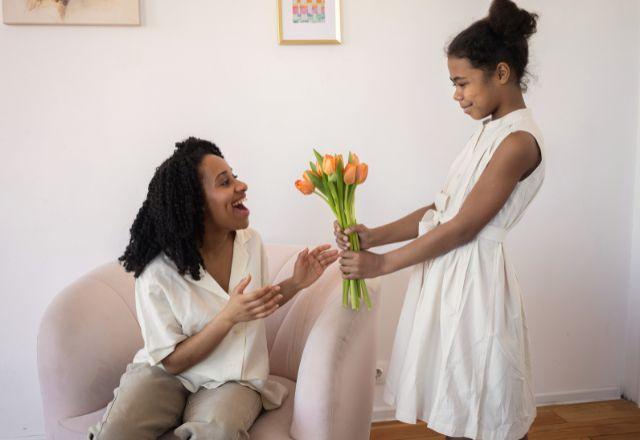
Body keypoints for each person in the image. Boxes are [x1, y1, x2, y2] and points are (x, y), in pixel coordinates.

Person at [334, 1, 542, 438]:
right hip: (451, 273)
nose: (457, 94)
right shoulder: (488, 133)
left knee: (486, 398)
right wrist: (374, 236)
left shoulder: (517, 142)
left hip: (476, 283)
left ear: (501, 73)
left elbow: (464, 227)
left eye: (462, 82)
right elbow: (442, 210)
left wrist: (384, 264)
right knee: (458, 402)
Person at [89, 137, 338, 439]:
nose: (241, 185)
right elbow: (172, 361)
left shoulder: (250, 243)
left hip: (233, 379)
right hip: (167, 374)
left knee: (217, 433)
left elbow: (254, 305)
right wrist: (228, 316)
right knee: (115, 433)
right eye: (225, 182)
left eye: (234, 176)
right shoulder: (157, 272)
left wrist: (296, 283)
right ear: (195, 204)